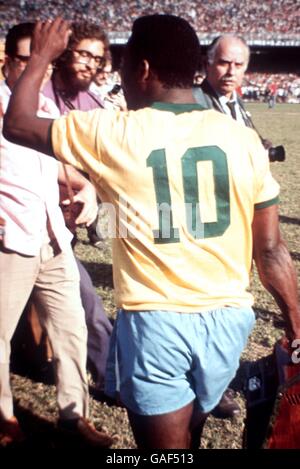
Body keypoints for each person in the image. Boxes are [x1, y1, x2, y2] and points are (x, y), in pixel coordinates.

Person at [4, 15, 300, 450]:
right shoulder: (242, 141)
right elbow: (271, 248)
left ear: (142, 70)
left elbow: (17, 123)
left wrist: (43, 56)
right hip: (230, 319)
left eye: (124, 69)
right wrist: (295, 321)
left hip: (155, 320)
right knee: (190, 436)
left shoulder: (113, 130)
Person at [0, 22, 113, 447]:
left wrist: (84, 187)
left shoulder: (43, 106)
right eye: (32, 58)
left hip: (53, 238)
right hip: (10, 239)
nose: (41, 67)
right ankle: (4, 419)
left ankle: (73, 416)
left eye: (45, 59)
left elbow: (60, 164)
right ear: (9, 61)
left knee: (71, 331)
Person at [43, 20, 113, 391]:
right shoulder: (37, 93)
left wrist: (94, 193)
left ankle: (106, 376)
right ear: (66, 51)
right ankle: (108, 377)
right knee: (85, 301)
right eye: (84, 53)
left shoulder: (93, 102)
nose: (89, 63)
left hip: (67, 220)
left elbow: (107, 162)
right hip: (33, 214)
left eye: (97, 58)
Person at [193, 35, 285, 163]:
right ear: (207, 64)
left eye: (238, 65)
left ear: (245, 68)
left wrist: (261, 144)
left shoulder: (236, 101)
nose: (231, 71)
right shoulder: (194, 101)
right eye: (224, 63)